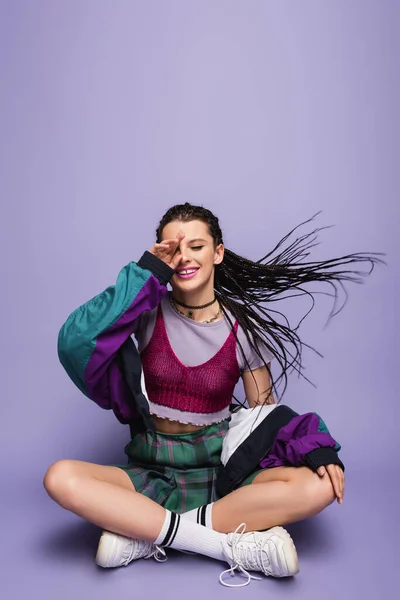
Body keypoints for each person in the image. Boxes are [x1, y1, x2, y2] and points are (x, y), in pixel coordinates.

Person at [44, 203, 382, 587]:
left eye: (198, 246)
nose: (185, 257)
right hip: (152, 466)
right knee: (61, 478)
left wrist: (314, 445)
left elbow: (263, 418)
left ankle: (143, 530)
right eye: (174, 248)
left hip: (223, 472)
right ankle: (227, 546)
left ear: (218, 253)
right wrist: (144, 275)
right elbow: (75, 342)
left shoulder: (244, 330)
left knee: (318, 485)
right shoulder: (144, 313)